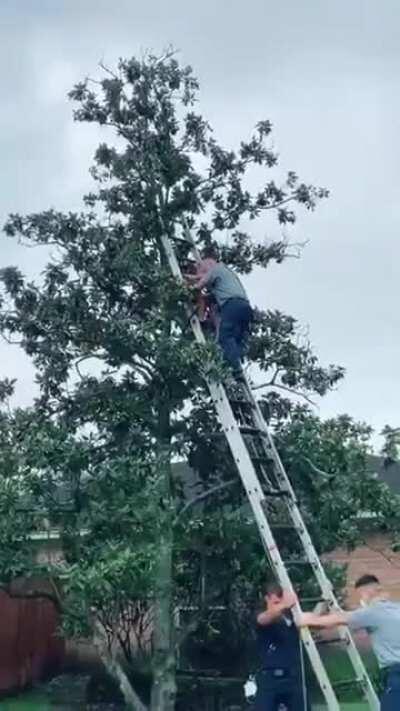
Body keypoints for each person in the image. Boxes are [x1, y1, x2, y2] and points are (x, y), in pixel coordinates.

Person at [299, 574, 400, 710]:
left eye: (360, 597)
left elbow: (329, 621)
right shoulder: (396, 609)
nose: (361, 601)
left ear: (367, 593)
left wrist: (305, 618)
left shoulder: (372, 612)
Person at [187, 257, 253, 377]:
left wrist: (185, 289)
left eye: (201, 270)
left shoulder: (215, 269)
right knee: (235, 339)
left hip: (232, 306)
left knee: (225, 337)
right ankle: (235, 366)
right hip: (245, 307)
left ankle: (236, 370)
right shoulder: (227, 275)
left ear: (208, 266)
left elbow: (199, 284)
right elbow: (211, 296)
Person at [254, 583, 310, 711]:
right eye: (275, 603)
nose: (278, 607)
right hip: (270, 680)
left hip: (293, 679)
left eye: (280, 602)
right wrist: (285, 604)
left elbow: (310, 620)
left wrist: (325, 601)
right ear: (267, 599)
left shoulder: (291, 620)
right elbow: (263, 619)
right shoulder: (262, 616)